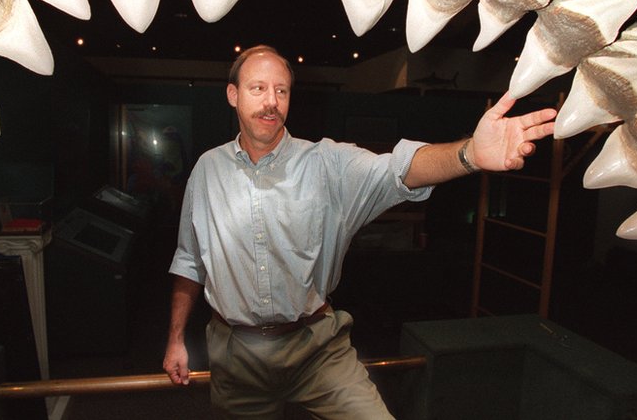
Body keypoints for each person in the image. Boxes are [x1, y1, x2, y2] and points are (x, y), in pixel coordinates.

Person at [163, 45, 557, 418]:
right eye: (258, 88)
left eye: (281, 90)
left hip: (315, 347)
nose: (271, 101)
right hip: (237, 356)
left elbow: (398, 170)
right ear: (233, 95)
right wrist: (176, 337)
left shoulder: (327, 164)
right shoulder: (207, 171)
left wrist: (469, 155)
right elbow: (190, 260)